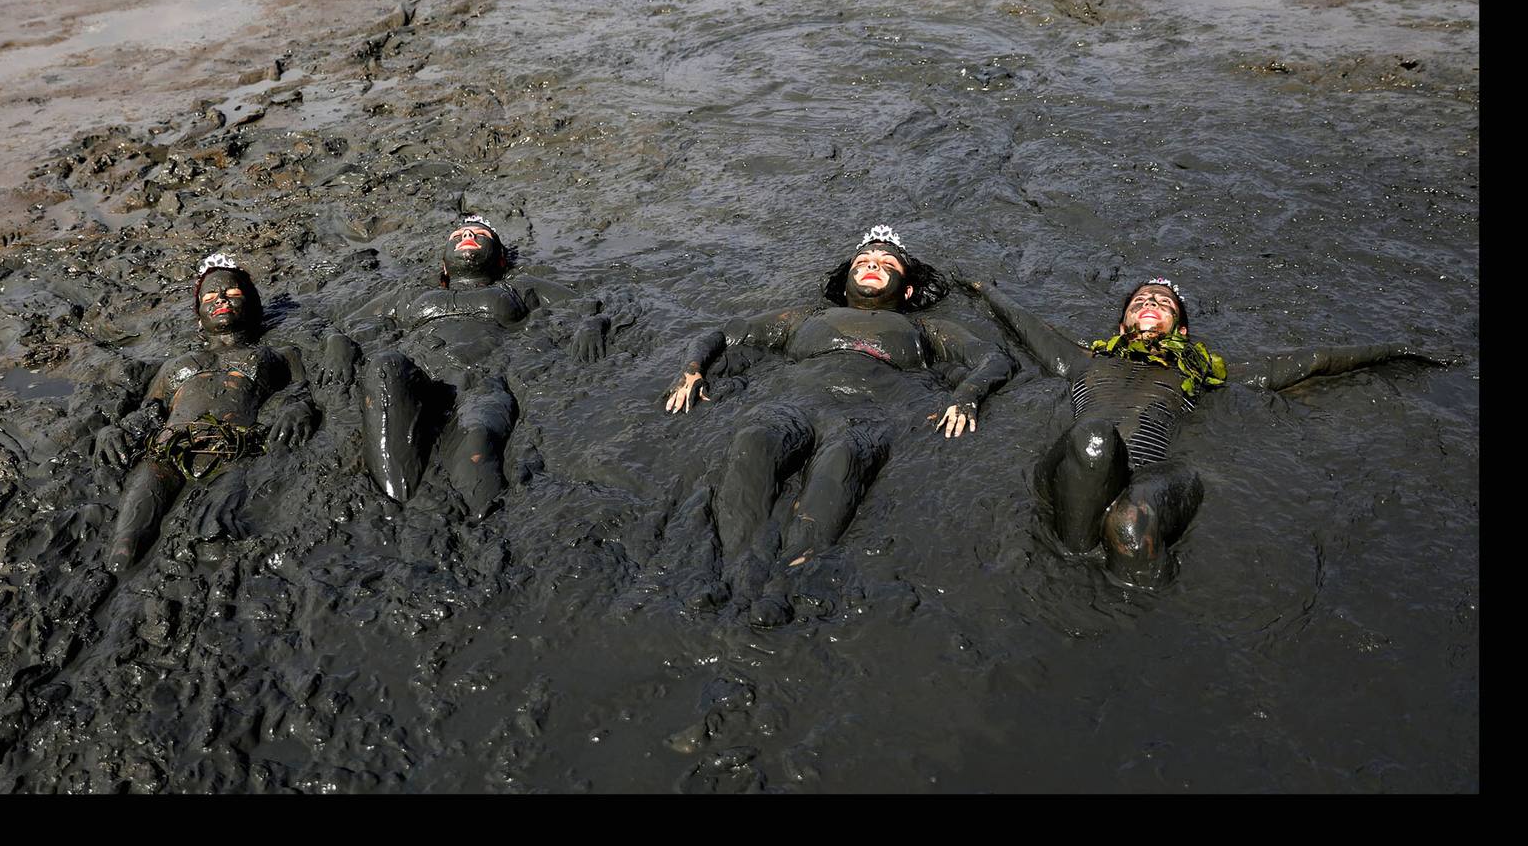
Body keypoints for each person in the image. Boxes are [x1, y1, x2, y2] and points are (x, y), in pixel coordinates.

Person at [957, 274, 1442, 587]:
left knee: (1129, 523)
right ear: (1123, 320)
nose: (1150, 302)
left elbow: (1315, 361)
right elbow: (1022, 322)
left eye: (1163, 302)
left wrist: (1397, 349)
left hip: (1150, 475)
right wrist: (981, 287)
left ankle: (1133, 620)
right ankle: (1070, 562)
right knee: (1095, 439)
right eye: (1141, 299)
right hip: (1073, 474)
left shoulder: (1207, 376)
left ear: (1180, 330)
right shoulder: (1082, 360)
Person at [664, 224, 1017, 626]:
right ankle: (739, 568)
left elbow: (993, 359)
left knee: (842, 460)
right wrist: (691, 370)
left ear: (907, 291)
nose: (872, 265)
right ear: (846, 278)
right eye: (863, 261)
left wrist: (966, 396)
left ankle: (788, 580)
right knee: (754, 438)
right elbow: (724, 334)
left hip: (866, 415)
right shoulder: (807, 318)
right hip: (791, 403)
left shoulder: (924, 329)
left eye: (887, 263)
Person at [319, 214, 612, 517]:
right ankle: (395, 504)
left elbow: (588, 303)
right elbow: (344, 326)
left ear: (499, 260)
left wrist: (592, 325)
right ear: (444, 267)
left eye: (479, 234)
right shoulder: (408, 296)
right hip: (420, 380)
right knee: (384, 366)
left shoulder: (516, 288)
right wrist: (336, 345)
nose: (467, 235)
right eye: (458, 234)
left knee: (477, 441)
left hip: (481, 383)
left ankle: (477, 520)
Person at [93, 253, 316, 574]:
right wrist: (116, 430)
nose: (220, 299)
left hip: (236, 453)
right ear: (199, 317)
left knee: (215, 537)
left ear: (253, 307)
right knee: (125, 544)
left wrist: (299, 406)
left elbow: (300, 390)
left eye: (232, 294)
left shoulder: (277, 355)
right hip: (166, 453)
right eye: (209, 297)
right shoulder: (174, 365)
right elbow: (150, 411)